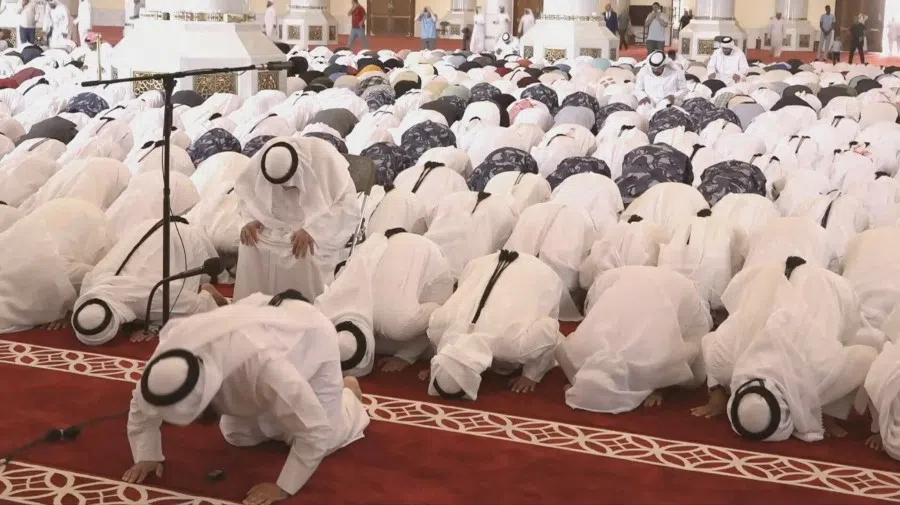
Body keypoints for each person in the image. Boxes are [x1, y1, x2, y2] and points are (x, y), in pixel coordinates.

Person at [122, 292, 370, 505]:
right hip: (257, 317)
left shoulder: (268, 370)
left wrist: (282, 487)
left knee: (323, 437)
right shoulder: (167, 361)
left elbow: (315, 430)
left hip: (310, 338)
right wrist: (147, 454)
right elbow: (142, 408)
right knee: (238, 436)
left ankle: (349, 395)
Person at [694, 257, 873, 441]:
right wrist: (716, 392)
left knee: (838, 346)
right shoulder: (726, 359)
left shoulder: (816, 368)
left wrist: (827, 408)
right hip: (769, 276)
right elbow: (710, 341)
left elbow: (865, 357)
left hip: (827, 287)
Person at [559, 266, 712, 413]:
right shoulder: (579, 351)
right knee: (618, 331)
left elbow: (685, 352)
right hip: (619, 280)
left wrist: (660, 388)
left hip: (677, 288)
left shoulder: (653, 359)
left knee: (694, 377)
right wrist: (580, 380)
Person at [424, 251, 567, 399]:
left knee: (538, 318)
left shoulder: (512, 347)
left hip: (539, 276)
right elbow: (447, 353)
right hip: (482, 264)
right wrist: (441, 366)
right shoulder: (438, 329)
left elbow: (550, 328)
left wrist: (532, 375)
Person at [233, 137, 360, 303]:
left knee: (304, 252)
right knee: (249, 244)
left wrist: (313, 230)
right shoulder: (264, 158)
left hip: (320, 226)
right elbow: (247, 195)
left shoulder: (323, 159)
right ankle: (253, 311)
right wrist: (250, 220)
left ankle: (304, 313)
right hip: (275, 225)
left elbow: (348, 207)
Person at [317, 228, 455, 375]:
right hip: (391, 245)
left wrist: (406, 357)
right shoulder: (328, 310)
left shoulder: (397, 323)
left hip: (433, 265)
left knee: (403, 329)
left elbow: (438, 313)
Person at [69, 217, 226, 345]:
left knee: (186, 315)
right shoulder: (90, 289)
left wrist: (153, 327)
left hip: (177, 236)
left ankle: (207, 290)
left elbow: (195, 306)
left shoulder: (149, 296)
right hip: (145, 228)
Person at [0, 199, 111, 333]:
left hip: (87, 219)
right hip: (52, 215)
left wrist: (72, 312)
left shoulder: (59, 271)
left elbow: (99, 279)